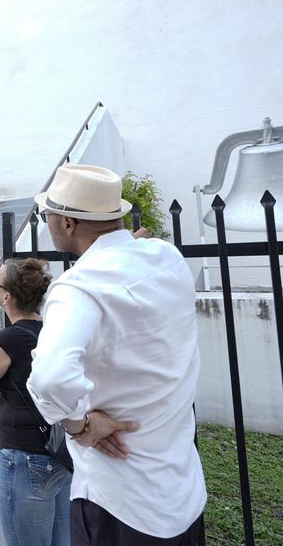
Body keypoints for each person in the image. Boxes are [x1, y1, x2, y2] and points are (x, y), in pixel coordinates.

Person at [26, 164, 206, 545]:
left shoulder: (79, 286)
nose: (48, 224)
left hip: (120, 502)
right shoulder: (167, 258)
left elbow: (51, 377)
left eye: (48, 216)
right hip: (182, 490)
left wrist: (79, 426)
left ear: (69, 223)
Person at [0, 258, 71, 546]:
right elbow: (25, 357)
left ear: (6, 297)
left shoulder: (8, 340)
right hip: (59, 453)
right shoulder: (47, 331)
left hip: (24, 460)